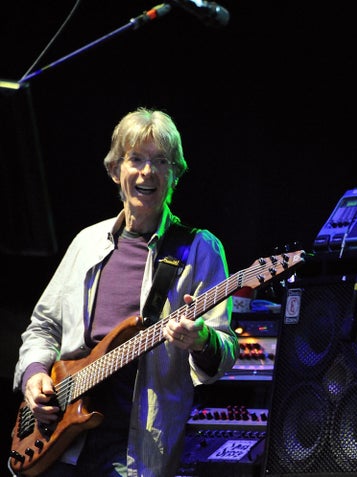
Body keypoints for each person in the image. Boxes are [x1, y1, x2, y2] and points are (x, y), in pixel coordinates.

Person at [11, 107, 240, 476]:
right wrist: (35, 374)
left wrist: (201, 340)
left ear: (175, 175)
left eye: (160, 161)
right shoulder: (86, 242)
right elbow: (43, 326)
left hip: (134, 450)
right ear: (115, 171)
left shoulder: (200, 249)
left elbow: (225, 349)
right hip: (62, 442)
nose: (147, 172)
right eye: (136, 159)